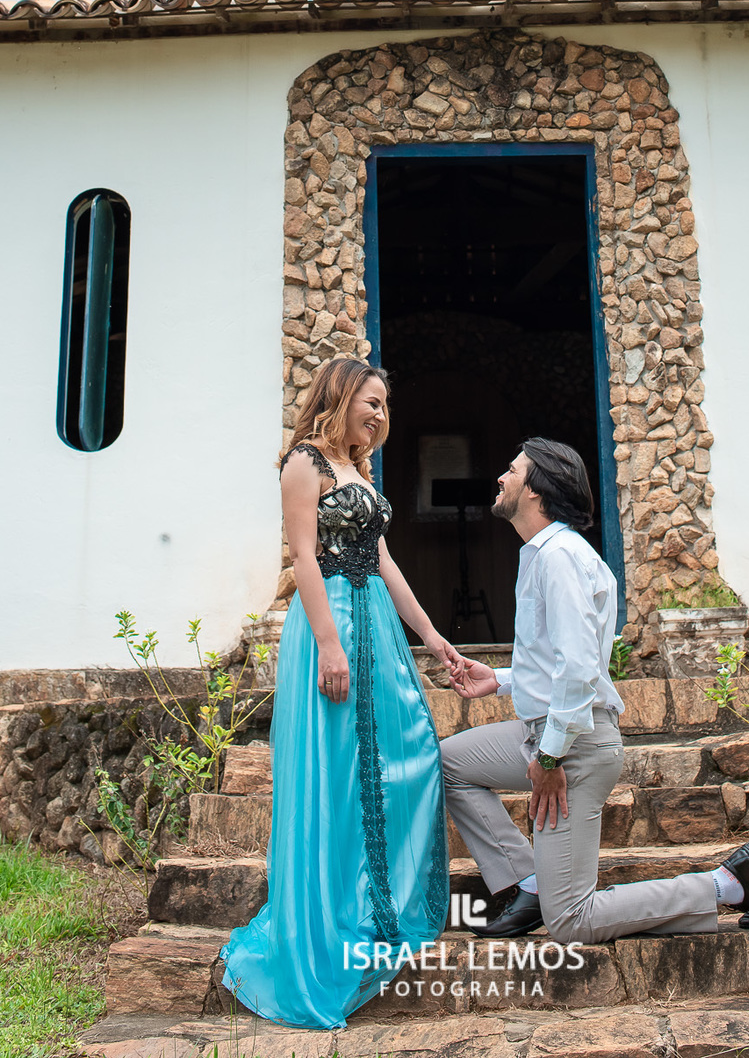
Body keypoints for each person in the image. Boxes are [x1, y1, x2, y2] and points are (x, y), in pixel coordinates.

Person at [442, 438, 749, 942]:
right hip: (542, 735)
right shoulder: (542, 555)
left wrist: (552, 759)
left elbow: (579, 670)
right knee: (448, 763)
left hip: (574, 747)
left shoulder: (559, 558)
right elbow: (565, 660)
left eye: (512, 471)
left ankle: (725, 884)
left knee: (570, 922)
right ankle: (530, 882)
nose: (501, 478)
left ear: (536, 491)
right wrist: (503, 679)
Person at [220, 357, 464, 1029]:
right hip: (330, 623)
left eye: (386, 404)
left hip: (376, 629)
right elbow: (302, 558)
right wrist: (328, 643)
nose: (381, 414)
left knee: (408, 751)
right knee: (336, 774)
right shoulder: (304, 464)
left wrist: (432, 637)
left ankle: (373, 911)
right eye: (372, 400)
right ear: (340, 394)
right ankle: (325, 932)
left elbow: (384, 562)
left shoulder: (359, 470)